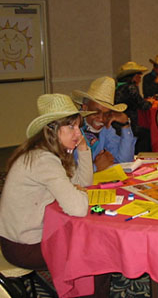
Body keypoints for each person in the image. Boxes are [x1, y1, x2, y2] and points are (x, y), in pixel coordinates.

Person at [0, 94, 111, 297]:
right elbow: (77, 207)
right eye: (71, 127)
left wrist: (83, 147)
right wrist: (77, 193)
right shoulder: (43, 160)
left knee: (91, 240)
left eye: (78, 126)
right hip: (23, 246)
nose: (78, 133)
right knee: (97, 256)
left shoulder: (48, 153)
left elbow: (83, 183)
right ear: (50, 129)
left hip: (27, 236)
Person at [72, 76, 136, 171]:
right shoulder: (71, 128)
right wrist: (96, 167)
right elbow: (70, 170)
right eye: (96, 112)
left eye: (106, 113)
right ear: (85, 108)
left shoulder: (106, 129)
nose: (101, 119)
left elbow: (125, 161)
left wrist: (125, 125)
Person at [115, 61, 152, 153]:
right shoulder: (130, 87)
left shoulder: (117, 86)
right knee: (147, 134)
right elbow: (143, 105)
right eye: (139, 76)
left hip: (116, 124)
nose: (140, 79)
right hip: (128, 124)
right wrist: (151, 103)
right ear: (134, 77)